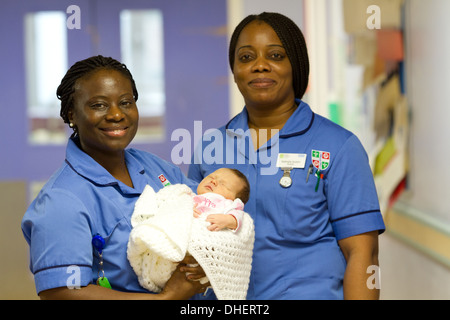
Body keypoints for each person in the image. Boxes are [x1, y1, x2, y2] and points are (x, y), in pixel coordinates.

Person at [188, 12, 386, 300]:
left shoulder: (339, 146)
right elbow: (189, 234)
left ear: (296, 65)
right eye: (246, 58)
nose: (259, 66)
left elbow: (363, 254)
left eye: (276, 55)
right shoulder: (210, 146)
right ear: (234, 70)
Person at [21, 55, 208, 300]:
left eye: (126, 102)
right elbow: (62, 291)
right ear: (71, 115)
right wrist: (166, 299)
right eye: (99, 105)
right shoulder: (61, 200)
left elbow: (207, 212)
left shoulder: (155, 168)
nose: (116, 114)